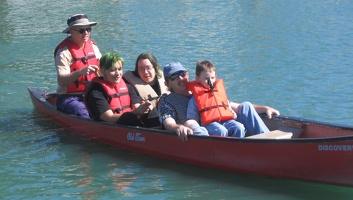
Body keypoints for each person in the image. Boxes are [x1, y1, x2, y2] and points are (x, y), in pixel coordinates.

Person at [158, 62, 280, 141]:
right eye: (174, 76)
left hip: (223, 122)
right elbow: (169, 122)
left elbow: (232, 106)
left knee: (246, 106)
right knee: (219, 130)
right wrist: (178, 128)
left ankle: (269, 141)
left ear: (188, 75)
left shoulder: (205, 90)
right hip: (202, 131)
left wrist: (264, 108)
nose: (180, 78)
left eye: (182, 74)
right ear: (167, 83)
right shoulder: (167, 102)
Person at [186, 60, 271, 138]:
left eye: (212, 78)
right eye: (206, 78)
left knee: (239, 127)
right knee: (220, 130)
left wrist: (233, 114)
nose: (210, 81)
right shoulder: (194, 100)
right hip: (209, 124)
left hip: (226, 121)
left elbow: (227, 106)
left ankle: (241, 146)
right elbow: (193, 119)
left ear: (216, 76)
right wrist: (195, 129)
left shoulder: (219, 93)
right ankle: (221, 150)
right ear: (197, 79)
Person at [84, 52, 153, 126]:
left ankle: (158, 131)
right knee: (129, 117)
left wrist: (145, 107)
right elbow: (108, 118)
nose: (118, 73)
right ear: (102, 71)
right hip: (112, 126)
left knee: (153, 111)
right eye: (112, 70)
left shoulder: (128, 87)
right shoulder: (96, 92)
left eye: (119, 69)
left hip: (131, 121)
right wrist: (135, 112)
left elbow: (137, 107)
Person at [54, 14, 101, 118]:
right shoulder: (63, 52)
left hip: (91, 94)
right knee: (82, 112)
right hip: (69, 97)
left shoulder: (93, 47)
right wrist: (80, 72)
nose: (86, 33)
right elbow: (61, 80)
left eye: (88, 29)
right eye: (81, 30)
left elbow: (102, 72)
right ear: (71, 31)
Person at [123, 53, 169, 127]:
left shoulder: (166, 81)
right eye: (141, 69)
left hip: (169, 115)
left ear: (156, 68)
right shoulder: (130, 85)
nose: (145, 72)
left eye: (148, 68)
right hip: (148, 121)